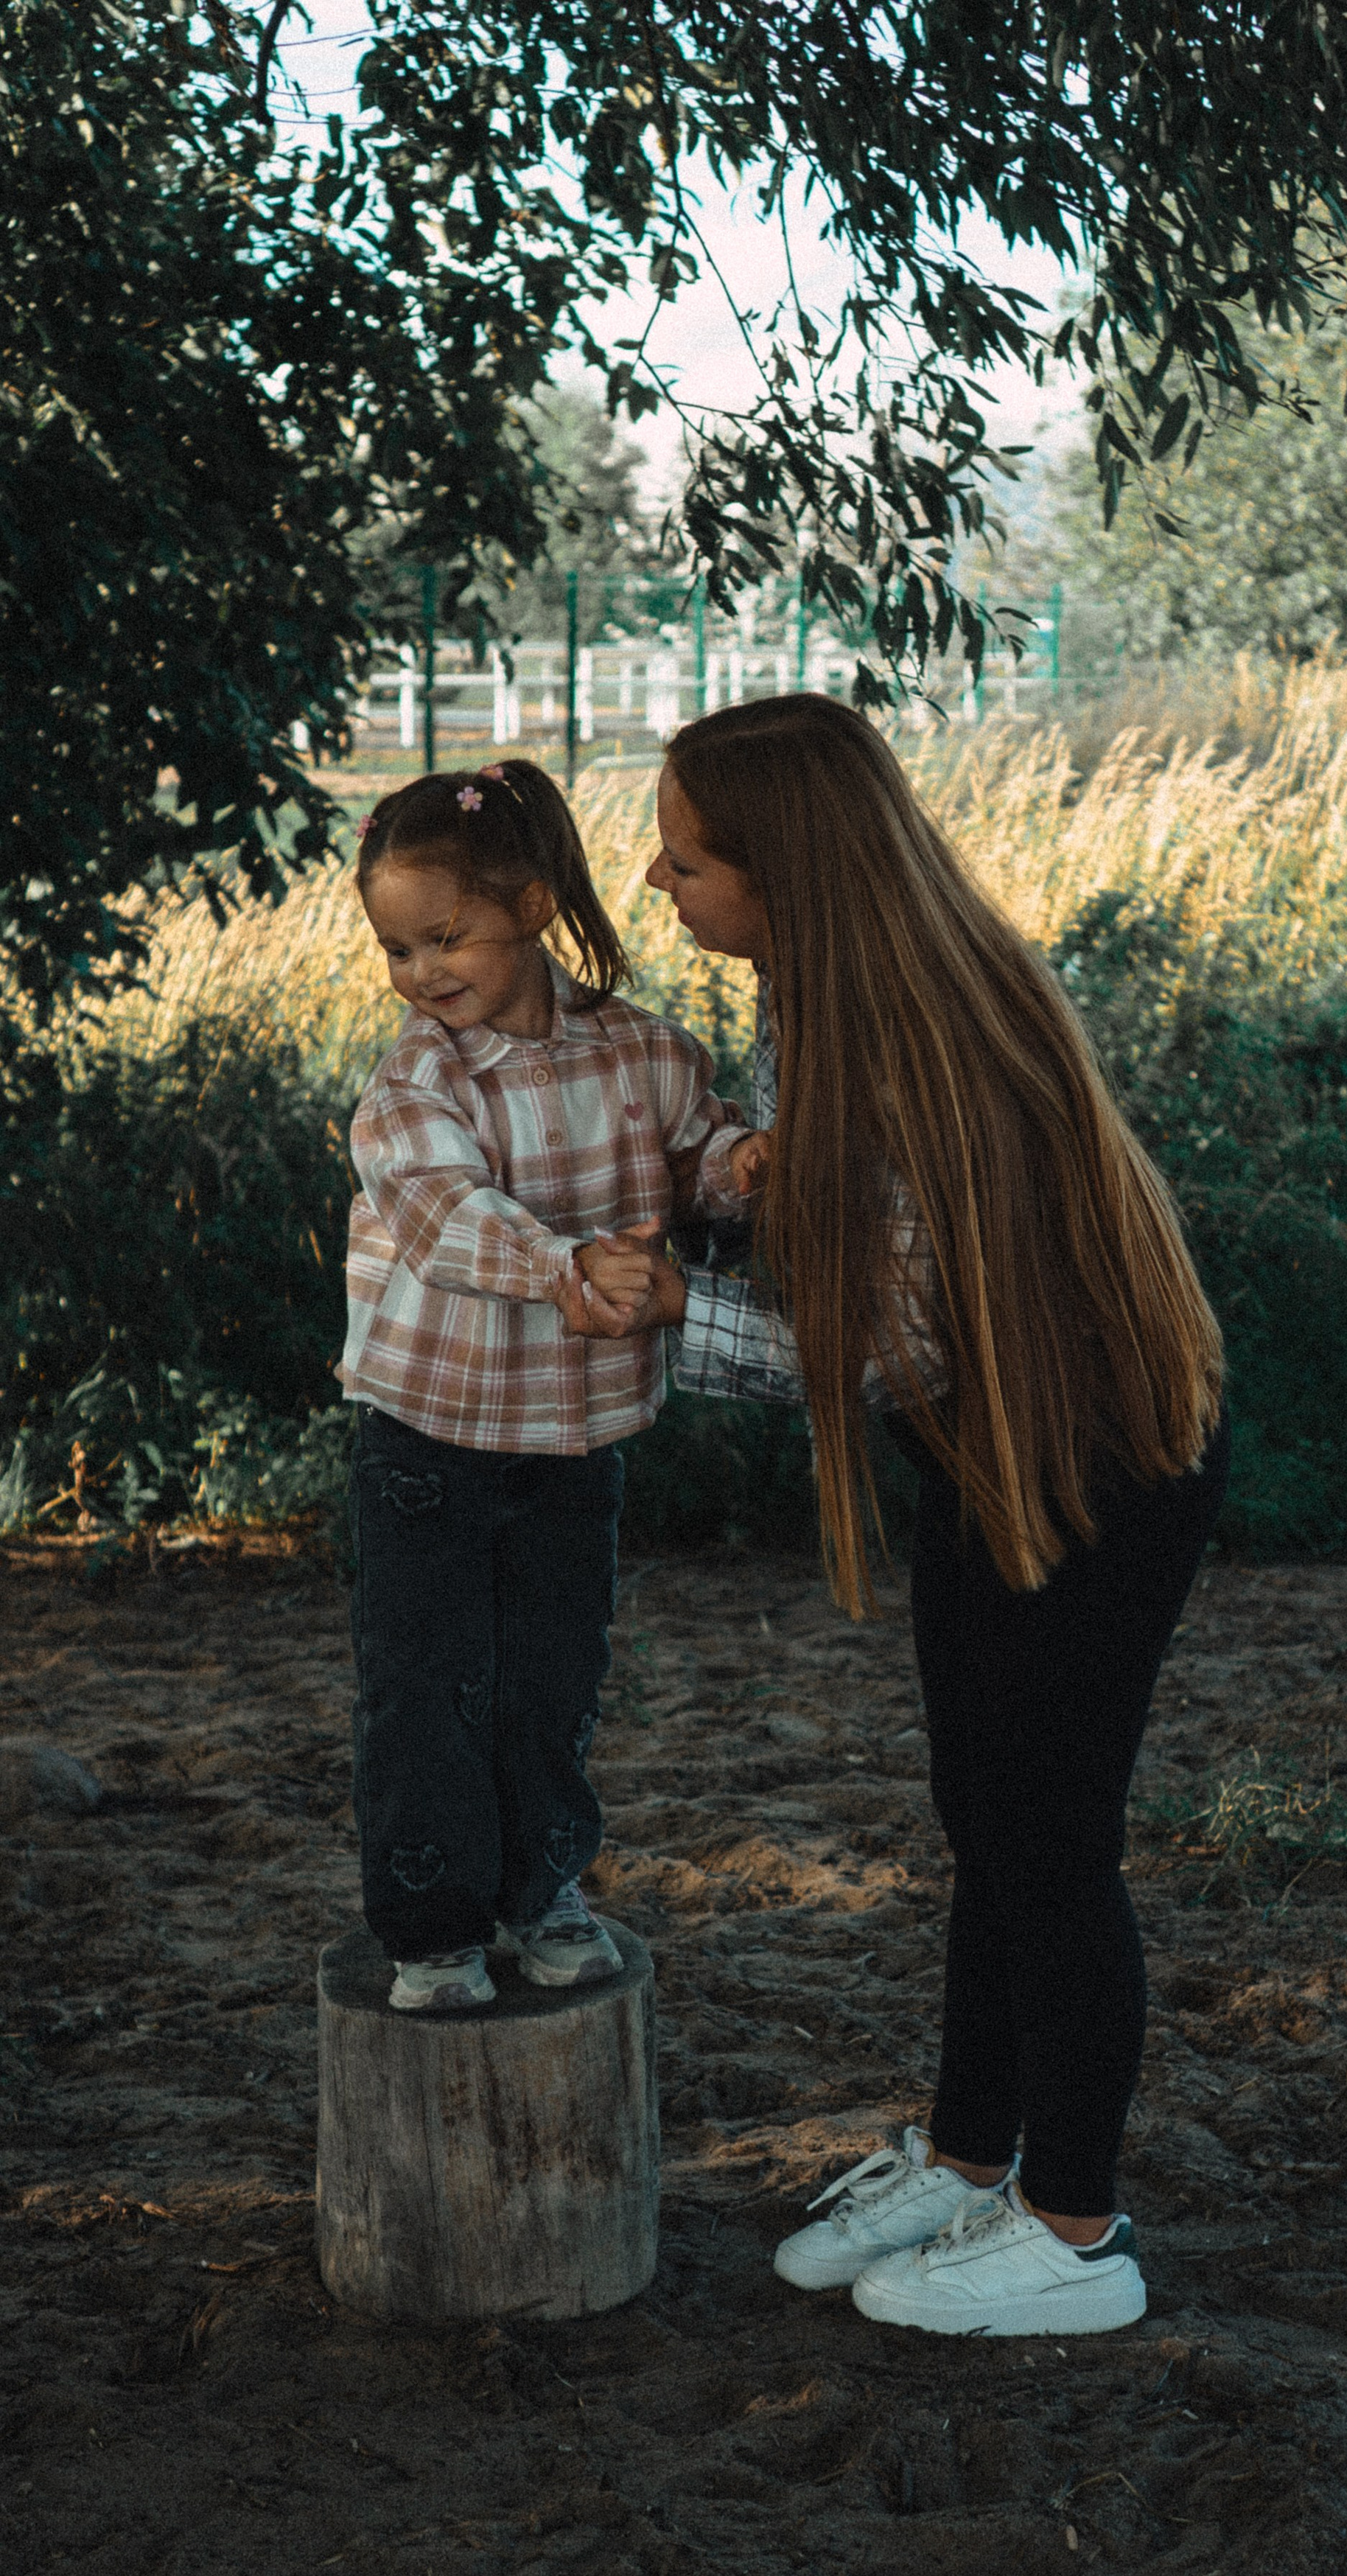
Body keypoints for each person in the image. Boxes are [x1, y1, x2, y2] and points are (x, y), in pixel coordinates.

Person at [620, 694, 1229, 2339]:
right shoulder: (818, 1002)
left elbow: (889, 1345)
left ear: (782, 868)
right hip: (995, 1461)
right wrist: (733, 1186)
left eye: (683, 860)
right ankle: (970, 2160)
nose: (656, 881)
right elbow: (852, 1258)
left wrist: (662, 1307)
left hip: (1093, 1472)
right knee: (987, 1815)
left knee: (1048, 1839)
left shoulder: (899, 1040)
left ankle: (1074, 2230)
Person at [342, 758, 758, 2012]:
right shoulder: (420, 1084)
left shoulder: (645, 1052)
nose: (420, 974)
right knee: (426, 1680)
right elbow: (442, 1218)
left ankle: (541, 1892)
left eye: (444, 937)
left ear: (529, 903)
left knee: (553, 1672)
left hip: (578, 1436)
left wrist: (753, 1166)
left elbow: (699, 1159)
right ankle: (432, 1928)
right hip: (429, 1434)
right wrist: (566, 1265)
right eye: (398, 950)